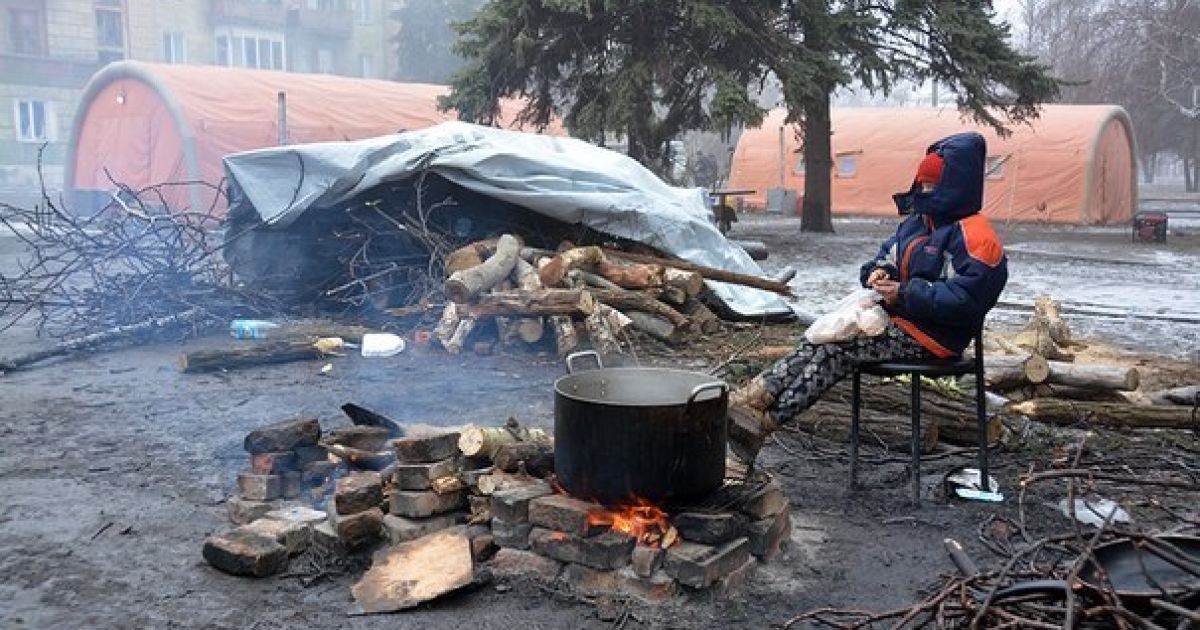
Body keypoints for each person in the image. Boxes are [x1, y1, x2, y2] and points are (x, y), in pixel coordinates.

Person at [727, 132, 1008, 464]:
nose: (926, 192)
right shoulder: (918, 224)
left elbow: (966, 301)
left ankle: (764, 424)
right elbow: (884, 258)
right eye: (924, 184)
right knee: (824, 335)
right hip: (897, 320)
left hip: (935, 337)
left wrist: (905, 293)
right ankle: (753, 398)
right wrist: (877, 274)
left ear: (955, 185)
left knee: (838, 350)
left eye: (933, 186)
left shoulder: (977, 237)